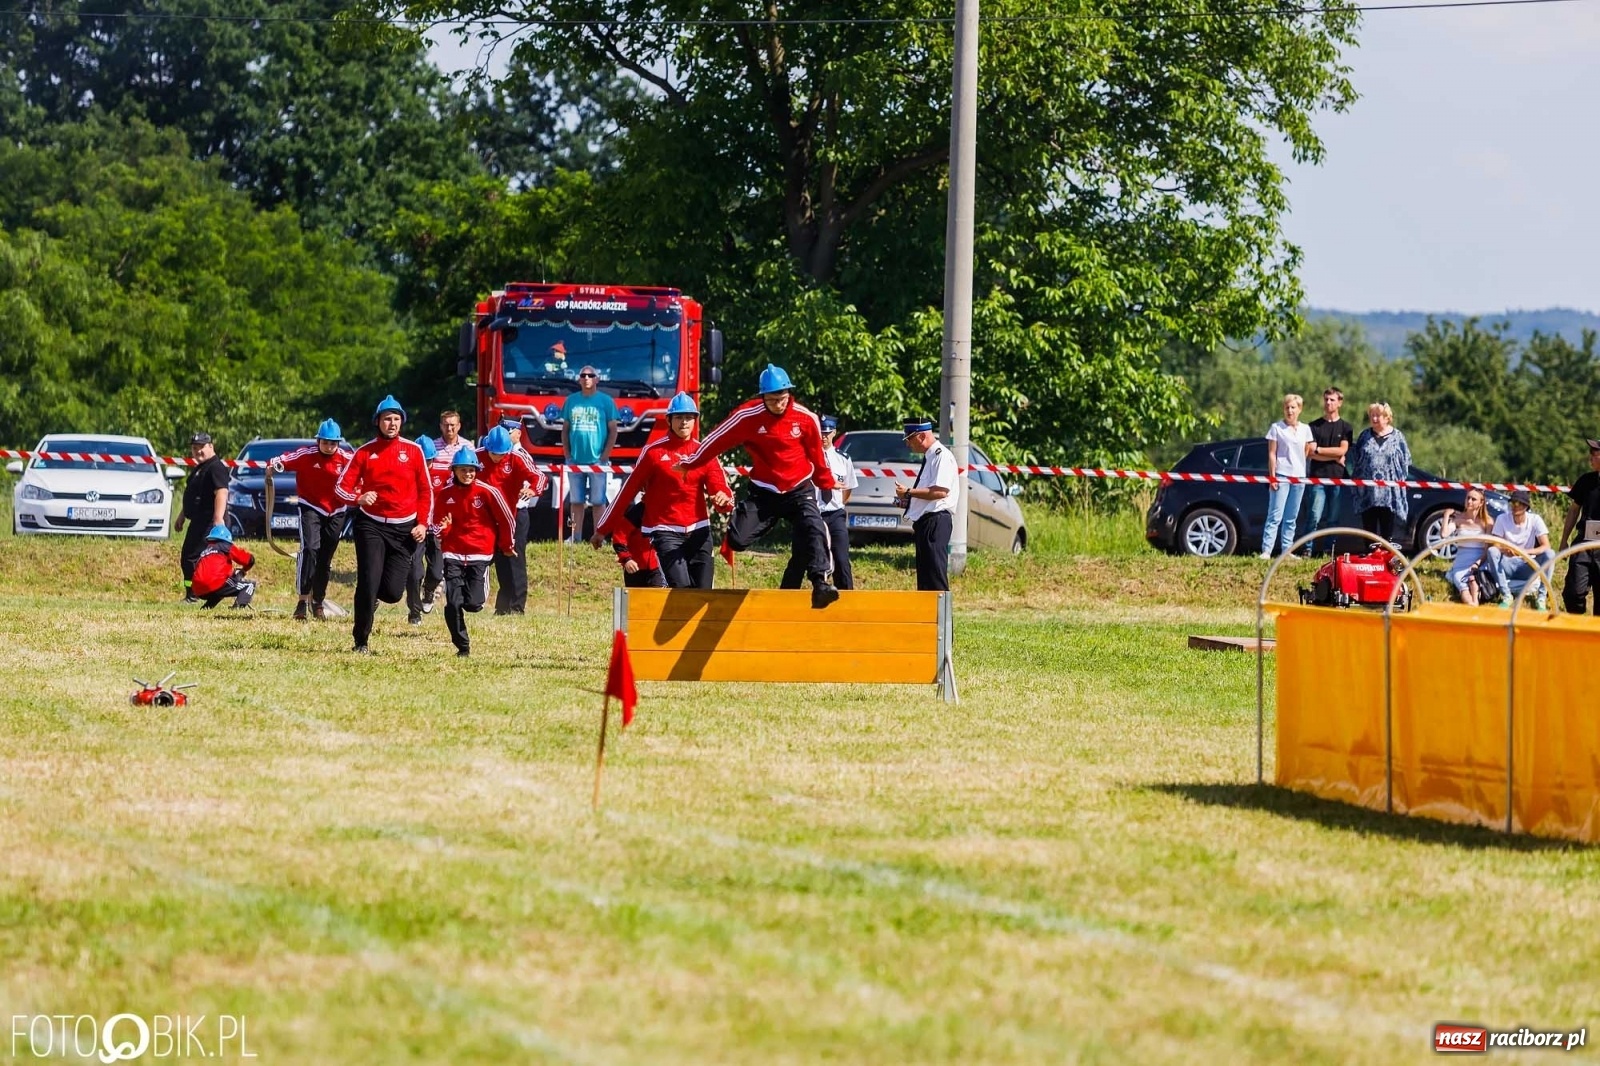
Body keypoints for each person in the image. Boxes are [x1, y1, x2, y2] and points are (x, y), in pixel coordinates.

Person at [675, 366, 839, 607]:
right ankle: (743, 518)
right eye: (771, 400)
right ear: (762, 397)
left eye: (782, 399)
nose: (778, 405)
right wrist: (690, 463)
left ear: (789, 394)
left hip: (798, 488)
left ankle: (820, 584)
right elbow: (716, 439)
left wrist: (827, 483)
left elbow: (818, 455)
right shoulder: (747, 416)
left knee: (813, 526)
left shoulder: (806, 418)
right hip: (764, 492)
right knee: (737, 540)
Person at [592, 391, 732, 589]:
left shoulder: (704, 451)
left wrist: (723, 499)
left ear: (695, 420)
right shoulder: (653, 453)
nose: (684, 422)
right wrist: (602, 529)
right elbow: (627, 492)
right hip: (666, 531)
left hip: (699, 529)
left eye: (689, 417)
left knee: (703, 592)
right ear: (669, 420)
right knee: (682, 589)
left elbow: (719, 486)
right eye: (679, 417)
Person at [334, 395, 434, 654]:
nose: (392, 423)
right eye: (387, 419)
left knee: (392, 592)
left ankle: (374, 594)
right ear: (377, 422)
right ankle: (361, 641)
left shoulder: (414, 451)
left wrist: (423, 524)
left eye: (396, 419)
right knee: (368, 582)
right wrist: (358, 498)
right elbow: (340, 488)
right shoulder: (365, 452)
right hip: (371, 525)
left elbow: (426, 491)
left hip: (404, 530)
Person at [430, 449, 516, 657]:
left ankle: (476, 596)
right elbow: (436, 526)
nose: (467, 474)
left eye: (471, 470)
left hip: (480, 553)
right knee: (453, 603)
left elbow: (506, 519)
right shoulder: (445, 494)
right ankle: (462, 646)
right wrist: (444, 529)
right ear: (454, 471)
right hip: (453, 554)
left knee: (473, 604)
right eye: (463, 470)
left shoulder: (487, 492)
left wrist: (506, 545)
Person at [268, 419, 351, 621]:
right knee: (310, 550)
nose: (329, 447)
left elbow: (365, 470)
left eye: (333, 443)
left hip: (337, 511)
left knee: (325, 558)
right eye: (325, 442)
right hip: (310, 507)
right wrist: (274, 466)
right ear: (318, 441)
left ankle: (318, 602)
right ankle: (302, 601)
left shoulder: (347, 458)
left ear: (338, 443)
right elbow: (281, 460)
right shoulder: (306, 455)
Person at [475, 425, 547, 614]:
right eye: (493, 454)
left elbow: (539, 476)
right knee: (498, 560)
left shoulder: (517, 457)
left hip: (513, 515)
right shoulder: (477, 456)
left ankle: (516, 607)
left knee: (514, 559)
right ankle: (502, 606)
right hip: (487, 517)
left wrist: (533, 490)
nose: (497, 458)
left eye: (501, 454)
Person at [781, 414, 858, 590]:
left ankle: (847, 597)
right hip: (810, 513)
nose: (823, 437)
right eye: (820, 433)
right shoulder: (804, 458)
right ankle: (786, 596)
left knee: (841, 559)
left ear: (834, 433)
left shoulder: (843, 459)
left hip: (834, 514)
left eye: (827, 433)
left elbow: (848, 489)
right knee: (800, 558)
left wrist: (837, 505)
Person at [897, 420, 960, 592]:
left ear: (921, 436)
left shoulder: (941, 456)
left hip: (936, 522)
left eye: (909, 439)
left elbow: (940, 492)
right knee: (925, 580)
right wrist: (908, 501)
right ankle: (928, 611)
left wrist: (908, 491)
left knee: (935, 577)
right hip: (926, 523)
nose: (908, 444)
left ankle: (943, 611)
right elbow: (929, 493)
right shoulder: (931, 457)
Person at [561, 364, 618, 543]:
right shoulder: (571, 401)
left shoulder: (606, 401)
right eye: (583, 375)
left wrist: (605, 456)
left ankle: (599, 537)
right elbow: (565, 429)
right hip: (575, 461)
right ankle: (575, 538)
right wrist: (567, 455)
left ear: (597, 379)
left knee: (598, 501)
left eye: (590, 375)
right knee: (576, 501)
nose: (587, 378)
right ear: (579, 379)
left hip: (597, 461)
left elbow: (613, 430)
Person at [175, 431, 230, 601]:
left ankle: (195, 595)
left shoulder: (216, 467)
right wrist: (182, 515)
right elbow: (194, 494)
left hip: (209, 521)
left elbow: (221, 492)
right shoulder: (201, 467)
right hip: (198, 519)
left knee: (193, 557)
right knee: (189, 557)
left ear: (211, 446)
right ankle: (192, 593)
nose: (197, 451)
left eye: (201, 447)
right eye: (194, 448)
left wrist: (218, 519)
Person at [1259, 394, 1315, 558]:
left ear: (1299, 409)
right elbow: (1272, 453)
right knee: (1275, 515)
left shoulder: (1305, 429)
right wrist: (1273, 476)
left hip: (1299, 477)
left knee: (1291, 517)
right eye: (1287, 408)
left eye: (1293, 408)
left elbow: (1306, 450)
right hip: (1282, 474)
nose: (1290, 411)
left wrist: (1299, 465)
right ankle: (1267, 550)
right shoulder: (1276, 428)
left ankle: (1287, 550)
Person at [1351, 402, 1411, 543]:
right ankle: (1370, 554)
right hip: (1368, 492)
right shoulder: (1364, 436)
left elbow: (1406, 461)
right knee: (1369, 531)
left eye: (1377, 415)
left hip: (1389, 493)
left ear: (1387, 417)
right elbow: (1356, 459)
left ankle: (1385, 553)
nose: (1374, 419)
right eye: (1372, 415)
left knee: (1387, 531)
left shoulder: (1398, 437)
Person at [1303, 388, 1353, 557]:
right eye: (1326, 399)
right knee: (1314, 516)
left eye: (1332, 400)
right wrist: (1333, 455)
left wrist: (1320, 450)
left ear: (1340, 402)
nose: (1328, 403)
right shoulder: (1313, 426)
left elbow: (1342, 450)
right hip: (1317, 478)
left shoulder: (1346, 427)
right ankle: (1307, 549)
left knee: (1333, 518)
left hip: (1337, 479)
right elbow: (1310, 453)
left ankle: (1328, 550)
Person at [1489, 490, 1553, 610]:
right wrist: (1505, 550)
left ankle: (1541, 598)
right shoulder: (1502, 518)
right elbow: (1495, 543)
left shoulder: (1535, 519)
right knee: (1492, 551)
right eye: (1512, 503)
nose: (1514, 506)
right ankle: (1506, 595)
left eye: (1518, 503)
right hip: (1507, 563)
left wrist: (1524, 552)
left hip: (1528, 564)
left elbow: (1546, 546)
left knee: (1550, 554)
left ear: (1525, 506)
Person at [1557, 436, 1600, 615]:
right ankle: (1577, 622)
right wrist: (1564, 541)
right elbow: (1574, 510)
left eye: (1594, 453)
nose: (1590, 457)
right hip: (1583, 544)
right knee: (1573, 593)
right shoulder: (1586, 481)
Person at [1440, 489, 1502, 606]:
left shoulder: (1487, 521)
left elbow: (1487, 548)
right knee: (1462, 585)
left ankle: (1475, 601)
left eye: (1473, 499)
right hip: (1462, 560)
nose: (1469, 501)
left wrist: (1477, 563)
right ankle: (1472, 606)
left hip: (1480, 559)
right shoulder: (1459, 519)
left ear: (1481, 503)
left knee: (1474, 580)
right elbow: (1444, 534)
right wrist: (1446, 515)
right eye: (1468, 498)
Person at [403, 435, 441, 626]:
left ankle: (429, 590)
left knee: (437, 571)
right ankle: (414, 611)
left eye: (429, 461)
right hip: (416, 528)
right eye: (422, 461)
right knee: (414, 572)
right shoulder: (407, 475)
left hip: (436, 529)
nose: (425, 465)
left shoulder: (444, 474)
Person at [190, 525, 256, 609]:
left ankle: (206, 608)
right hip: (215, 583)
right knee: (249, 585)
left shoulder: (205, 552)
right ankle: (238, 609)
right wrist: (250, 562)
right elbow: (245, 559)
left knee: (219, 590)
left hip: (198, 589)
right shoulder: (225, 545)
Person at [611, 504, 668, 588]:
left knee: (658, 593)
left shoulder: (670, 509)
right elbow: (619, 535)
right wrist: (627, 559)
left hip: (658, 567)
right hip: (635, 567)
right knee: (635, 595)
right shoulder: (637, 511)